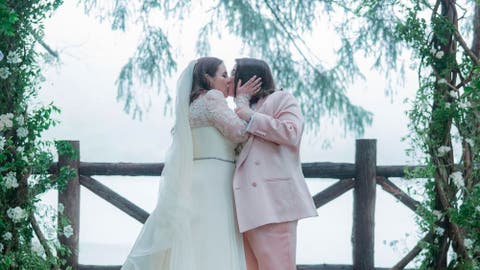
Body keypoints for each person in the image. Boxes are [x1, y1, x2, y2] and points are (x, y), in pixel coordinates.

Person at [121, 57, 261, 270]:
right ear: (207, 78)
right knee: (215, 240)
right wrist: (242, 100)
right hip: (216, 181)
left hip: (196, 179)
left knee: (197, 240)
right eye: (223, 75)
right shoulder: (212, 98)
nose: (229, 79)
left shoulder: (192, 104)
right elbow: (240, 132)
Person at [232, 58, 318, 270]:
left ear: (250, 78)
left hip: (274, 204)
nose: (230, 79)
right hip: (244, 207)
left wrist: (249, 116)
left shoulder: (281, 98)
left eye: (234, 73)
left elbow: (291, 132)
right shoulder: (237, 109)